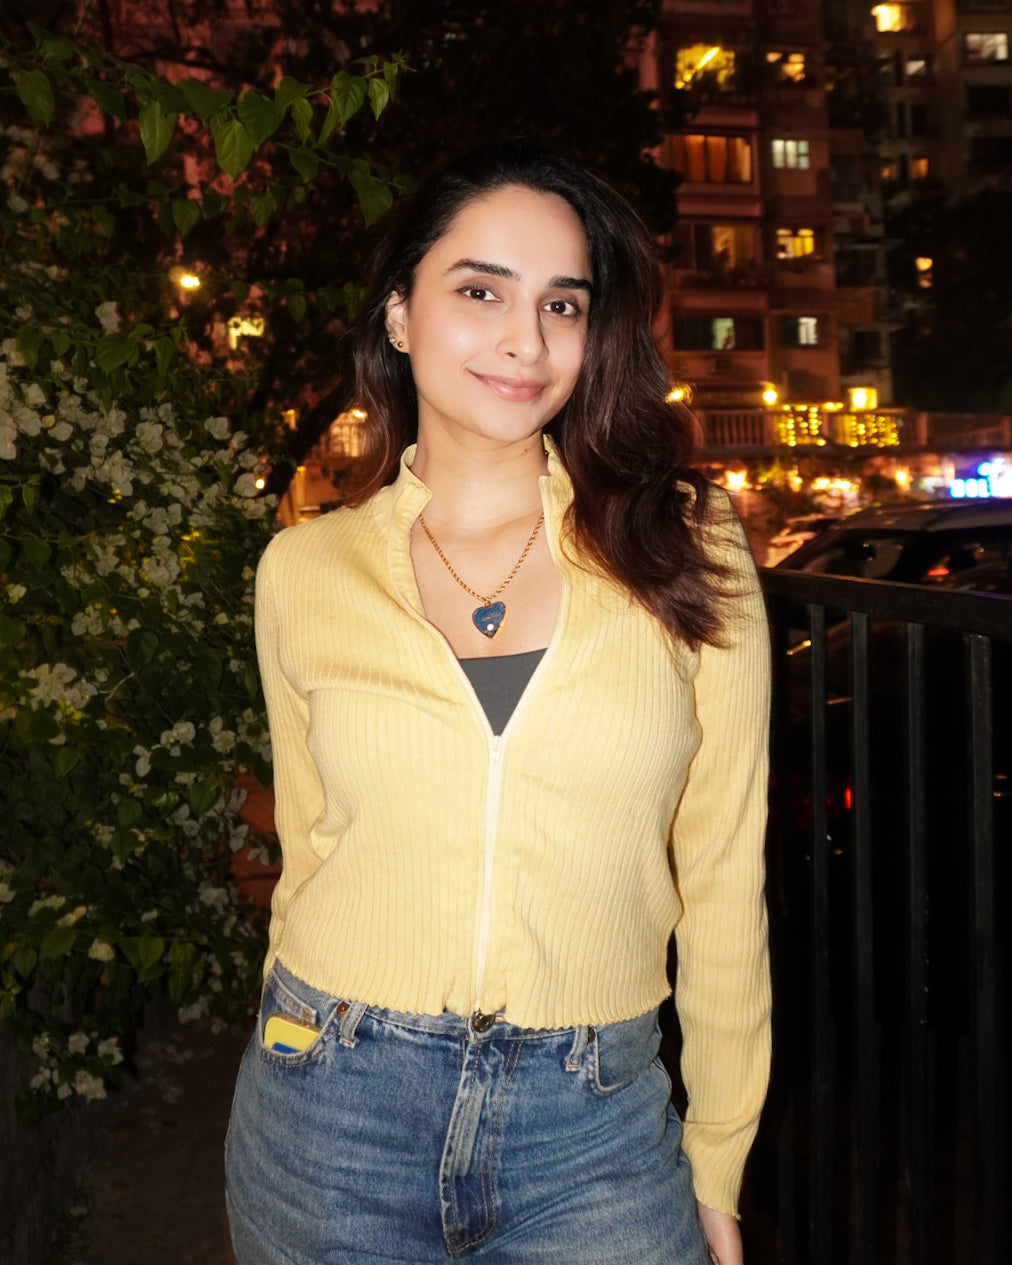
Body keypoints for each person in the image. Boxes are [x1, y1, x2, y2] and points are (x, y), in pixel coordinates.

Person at [225, 145, 771, 1265]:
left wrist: (718, 1147)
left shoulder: (687, 544)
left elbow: (723, 866)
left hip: (596, 1120)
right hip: (328, 1104)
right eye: (480, 291)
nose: (526, 340)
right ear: (399, 314)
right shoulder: (304, 570)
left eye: (561, 304)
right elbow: (310, 847)